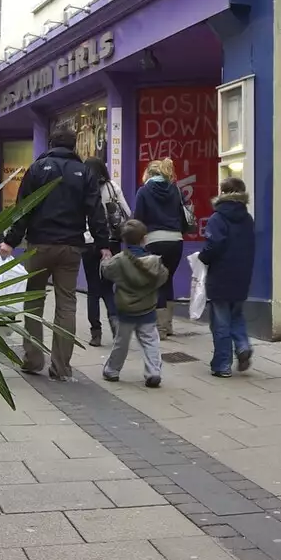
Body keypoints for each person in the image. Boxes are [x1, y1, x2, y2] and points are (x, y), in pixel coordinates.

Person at [0, 126, 107, 381]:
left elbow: (23, 208)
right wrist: (103, 243)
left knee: (34, 302)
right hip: (71, 247)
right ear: (73, 147)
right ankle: (61, 367)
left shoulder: (37, 169)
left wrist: (10, 241)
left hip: (39, 245)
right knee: (66, 305)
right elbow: (96, 211)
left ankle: (33, 359)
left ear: (50, 144)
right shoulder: (85, 172)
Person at [197, 176, 258, 378]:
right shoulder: (248, 218)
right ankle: (242, 345)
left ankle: (222, 365)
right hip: (242, 274)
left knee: (221, 322)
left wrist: (203, 257)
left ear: (223, 193)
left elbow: (214, 245)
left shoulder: (218, 218)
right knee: (237, 315)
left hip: (221, 275)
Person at [100, 220, 169, 388]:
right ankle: (153, 372)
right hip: (148, 309)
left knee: (121, 342)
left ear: (124, 240)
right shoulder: (154, 261)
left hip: (126, 310)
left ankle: (112, 370)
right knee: (150, 341)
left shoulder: (119, 260)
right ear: (144, 239)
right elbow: (163, 276)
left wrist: (104, 260)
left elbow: (107, 271)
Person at [133, 157, 190, 339]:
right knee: (168, 279)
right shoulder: (174, 189)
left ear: (148, 173)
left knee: (156, 282)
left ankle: (160, 329)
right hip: (175, 240)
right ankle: (168, 325)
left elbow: (138, 219)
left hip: (154, 240)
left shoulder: (143, 191)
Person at [81, 157, 127, 347]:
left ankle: (96, 334)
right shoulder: (112, 187)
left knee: (93, 289)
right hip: (111, 242)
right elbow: (126, 211)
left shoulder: (81, 189)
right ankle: (116, 325)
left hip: (88, 242)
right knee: (108, 287)